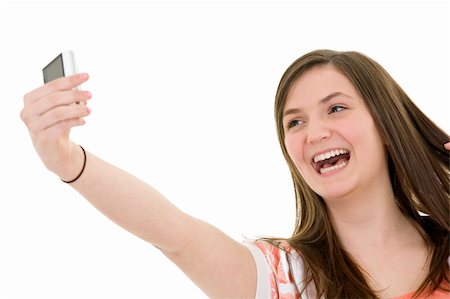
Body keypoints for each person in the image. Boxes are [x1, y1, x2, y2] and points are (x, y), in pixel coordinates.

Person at [20, 50, 449, 298]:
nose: (315, 133)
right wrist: (65, 160)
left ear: (388, 126)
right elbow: (174, 234)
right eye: (294, 122)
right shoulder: (289, 278)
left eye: (336, 108)